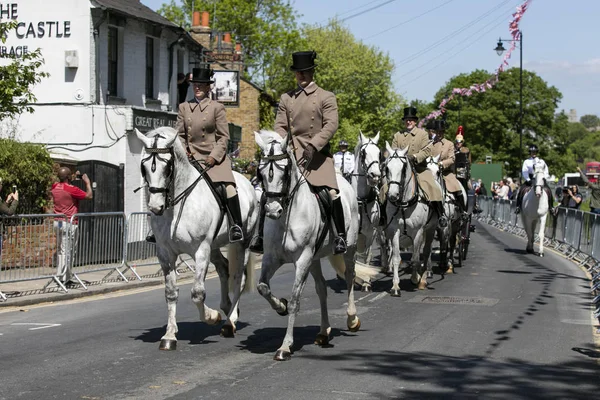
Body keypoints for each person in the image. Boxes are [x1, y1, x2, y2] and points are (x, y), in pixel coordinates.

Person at [250, 50, 347, 254]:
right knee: (268, 194)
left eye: (304, 72)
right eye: (298, 73)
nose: (301, 76)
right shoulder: (287, 98)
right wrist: (279, 146)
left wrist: (314, 145)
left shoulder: (326, 97)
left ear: (312, 72)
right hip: (291, 156)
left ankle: (339, 236)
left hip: (318, 158)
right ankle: (259, 237)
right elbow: (280, 126)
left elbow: (331, 125)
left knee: (332, 193)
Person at [176, 67, 244, 243]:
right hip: (190, 158)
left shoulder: (217, 108)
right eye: (195, 84)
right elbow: (180, 136)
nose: (197, 87)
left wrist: (213, 157)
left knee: (228, 188)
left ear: (208, 87)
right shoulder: (184, 107)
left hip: (214, 159)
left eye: (201, 85)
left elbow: (223, 137)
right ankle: (159, 228)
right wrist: (185, 153)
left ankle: (236, 225)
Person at [391, 106, 447, 227]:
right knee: (385, 187)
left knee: (433, 187)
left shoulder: (422, 134)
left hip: (419, 168)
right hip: (401, 170)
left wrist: (415, 157)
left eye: (411, 119)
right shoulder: (397, 135)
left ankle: (440, 214)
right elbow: (394, 150)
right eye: (406, 119)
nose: (408, 121)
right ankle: (383, 217)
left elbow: (427, 150)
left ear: (415, 121)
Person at [51, 167, 93, 286]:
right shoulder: (72, 189)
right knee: (68, 251)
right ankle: (65, 279)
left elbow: (66, 187)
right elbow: (89, 196)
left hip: (58, 222)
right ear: (69, 177)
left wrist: (72, 178)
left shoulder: (54, 187)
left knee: (60, 250)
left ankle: (60, 275)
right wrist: (87, 183)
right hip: (69, 223)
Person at [430, 120, 467, 215]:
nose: (439, 134)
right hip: (431, 172)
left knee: (456, 186)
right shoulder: (430, 144)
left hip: (445, 172)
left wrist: (441, 164)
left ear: (443, 132)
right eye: (437, 132)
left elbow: (452, 159)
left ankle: (462, 210)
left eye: (441, 132)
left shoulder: (449, 144)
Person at [514, 144, 555, 214]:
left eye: (535, 152)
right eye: (532, 152)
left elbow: (546, 170)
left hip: (540, 178)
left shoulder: (541, 161)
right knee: (521, 190)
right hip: (531, 178)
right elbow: (524, 171)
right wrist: (528, 180)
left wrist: (544, 177)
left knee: (548, 190)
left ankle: (551, 207)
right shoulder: (526, 161)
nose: (534, 153)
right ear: (530, 152)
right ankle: (518, 206)